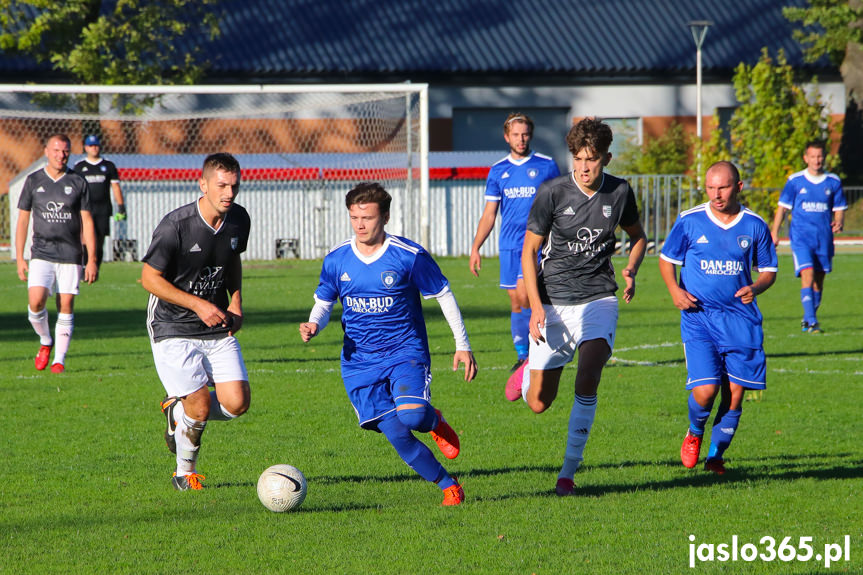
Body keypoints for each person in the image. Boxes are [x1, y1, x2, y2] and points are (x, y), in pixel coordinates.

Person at [300, 182, 478, 506]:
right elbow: (324, 302)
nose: (360, 225)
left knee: (411, 416)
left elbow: (443, 294)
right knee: (397, 435)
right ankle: (449, 486)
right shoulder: (337, 259)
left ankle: (432, 420)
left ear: (385, 216)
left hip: (403, 351)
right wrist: (314, 323)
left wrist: (462, 344)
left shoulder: (408, 256)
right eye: (354, 217)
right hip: (359, 363)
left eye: (367, 217)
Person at [514, 117, 646, 496]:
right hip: (553, 302)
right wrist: (536, 308)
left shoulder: (620, 192)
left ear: (606, 157)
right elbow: (529, 251)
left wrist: (632, 269)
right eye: (578, 158)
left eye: (592, 159)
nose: (584, 167)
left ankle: (567, 473)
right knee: (539, 403)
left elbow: (638, 237)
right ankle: (527, 374)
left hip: (599, 297)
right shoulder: (552, 192)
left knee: (588, 374)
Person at [141, 153, 251, 491]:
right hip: (172, 325)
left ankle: (178, 412)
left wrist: (236, 302)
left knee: (237, 403)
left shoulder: (239, 219)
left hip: (215, 323)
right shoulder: (176, 225)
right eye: (221, 185)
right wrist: (198, 304)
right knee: (201, 407)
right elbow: (149, 279)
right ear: (202, 185)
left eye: (234, 185)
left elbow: (232, 262)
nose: (229, 193)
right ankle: (183, 473)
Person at [660, 161, 777, 475]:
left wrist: (756, 286)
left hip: (740, 320)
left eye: (722, 187)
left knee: (735, 393)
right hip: (700, 317)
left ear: (738, 187)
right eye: (710, 188)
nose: (716, 194)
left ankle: (715, 456)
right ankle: (695, 431)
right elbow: (666, 259)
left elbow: (769, 271)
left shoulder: (754, 225)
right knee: (706, 390)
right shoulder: (689, 221)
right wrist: (674, 291)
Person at [469, 113, 560, 377]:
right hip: (509, 244)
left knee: (525, 293)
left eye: (525, 134)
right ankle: (524, 355)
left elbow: (559, 203)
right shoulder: (498, 170)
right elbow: (489, 214)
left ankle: (535, 352)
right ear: (506, 136)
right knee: (517, 301)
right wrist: (476, 247)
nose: (521, 139)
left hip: (536, 242)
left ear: (531, 135)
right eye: (516, 135)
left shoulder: (546, 166)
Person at [15, 133, 98, 374]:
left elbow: (87, 222)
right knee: (35, 302)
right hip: (41, 252)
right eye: (56, 150)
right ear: (46, 151)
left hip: (70, 254)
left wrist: (91, 258)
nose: (61, 155)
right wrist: (20, 257)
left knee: (66, 304)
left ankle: (59, 359)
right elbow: (22, 221)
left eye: (65, 151)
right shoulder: (33, 181)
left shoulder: (78, 182)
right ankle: (45, 340)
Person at [770, 140, 847, 333]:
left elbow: (839, 209)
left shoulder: (833, 182)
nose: (816, 160)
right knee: (808, 272)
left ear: (824, 157)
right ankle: (812, 322)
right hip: (801, 238)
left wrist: (839, 221)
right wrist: (774, 232)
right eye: (812, 156)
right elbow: (782, 208)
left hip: (824, 239)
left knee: (819, 281)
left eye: (820, 156)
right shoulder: (795, 181)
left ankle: (808, 318)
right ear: (806, 158)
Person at [73, 134, 126, 269]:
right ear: (85, 148)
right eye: (91, 146)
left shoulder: (108, 166)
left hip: (103, 209)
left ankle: (96, 266)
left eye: (96, 145)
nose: (94, 148)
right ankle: (85, 267)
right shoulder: (79, 166)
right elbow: (75, 189)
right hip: (85, 209)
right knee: (85, 238)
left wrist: (121, 206)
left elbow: (115, 187)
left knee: (99, 240)